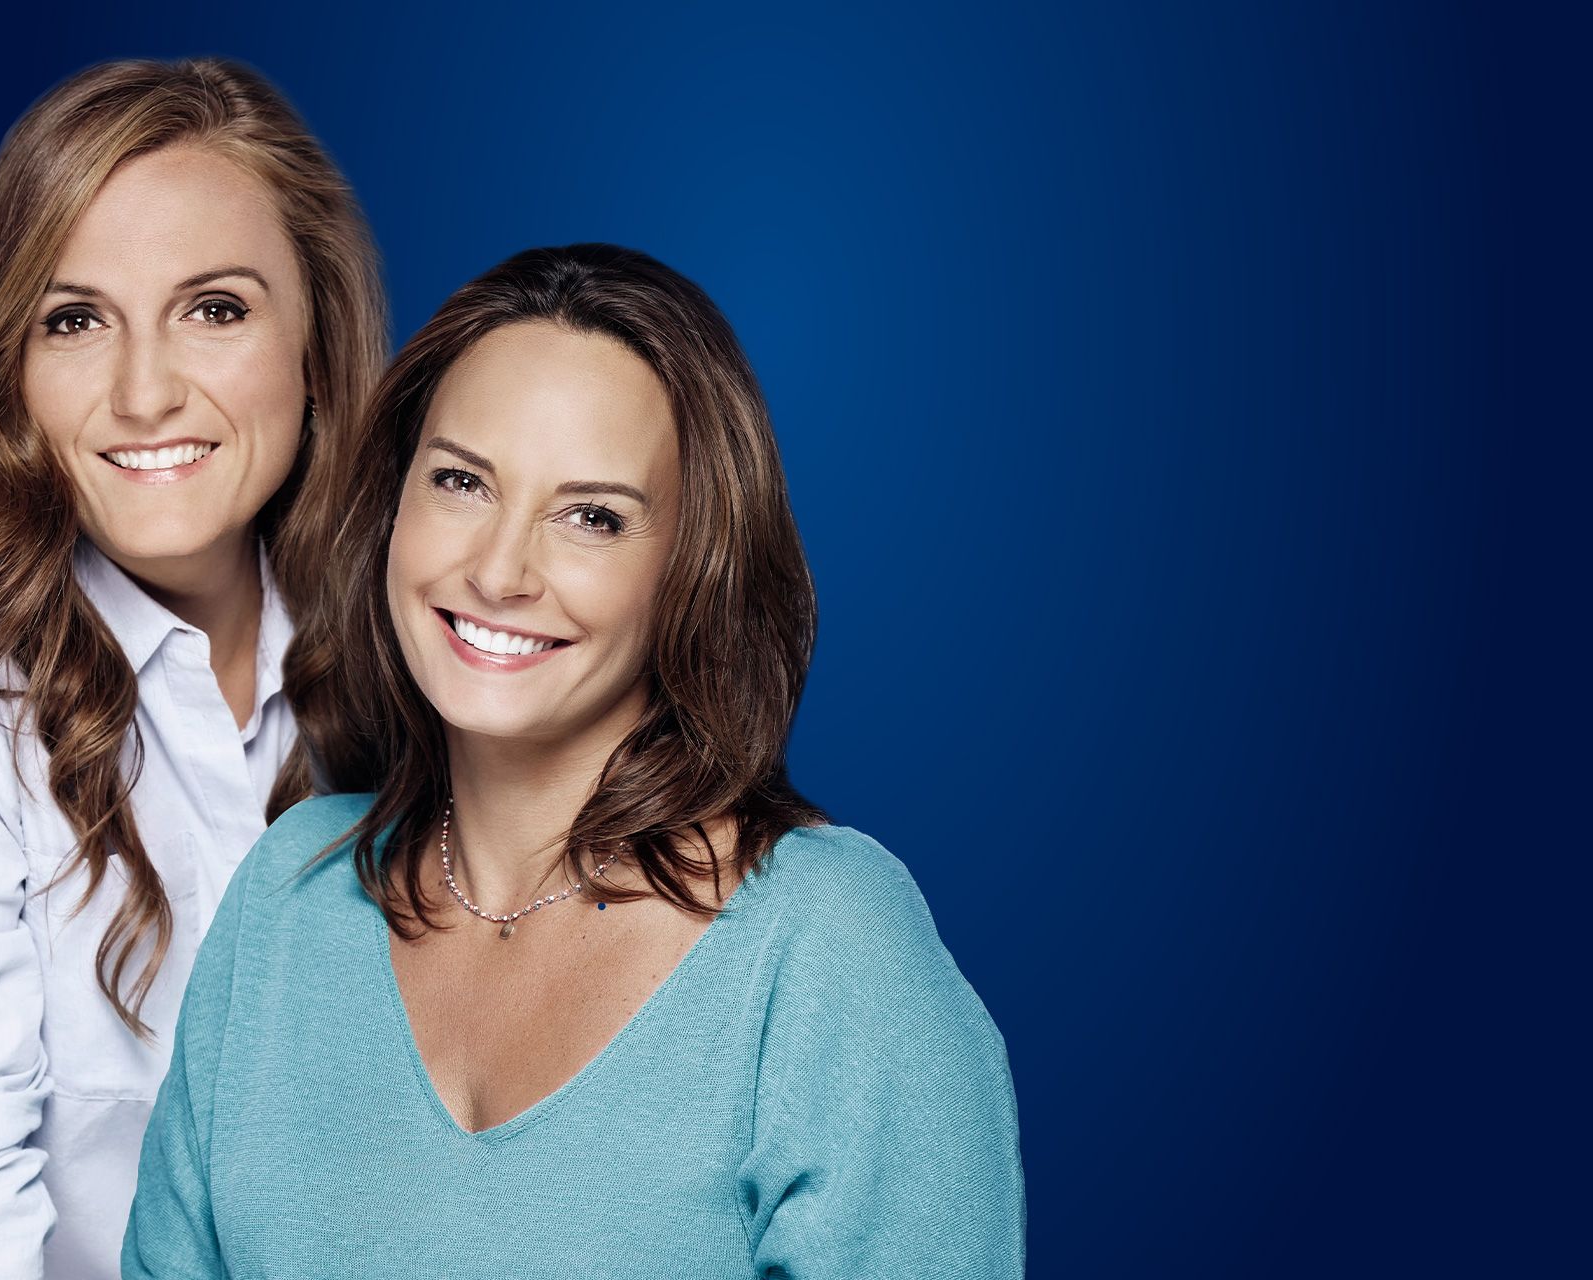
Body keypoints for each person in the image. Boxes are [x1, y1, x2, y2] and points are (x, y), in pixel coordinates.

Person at [125, 244, 1022, 1278]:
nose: (500, 570)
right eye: (461, 481)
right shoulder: (288, 894)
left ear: (694, 566)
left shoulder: (828, 950)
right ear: (390, 504)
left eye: (592, 517)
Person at [0, 58, 385, 1280]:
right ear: (8, 366)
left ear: (316, 344)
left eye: (215, 308)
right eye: (74, 319)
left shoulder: (411, 631)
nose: (145, 392)